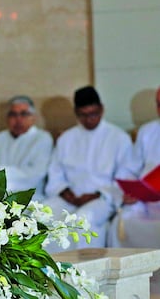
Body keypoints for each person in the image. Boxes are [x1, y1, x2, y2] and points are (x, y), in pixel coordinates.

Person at [43, 85, 140, 251]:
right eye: (83, 115)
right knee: (43, 216)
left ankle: (83, 267)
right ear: (76, 113)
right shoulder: (66, 138)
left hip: (103, 199)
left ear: (102, 109)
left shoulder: (118, 138)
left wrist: (96, 195)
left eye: (93, 114)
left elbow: (125, 177)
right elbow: (55, 173)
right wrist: (64, 191)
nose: (89, 119)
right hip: (70, 197)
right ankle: (50, 267)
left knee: (83, 219)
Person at [108, 86, 160, 248]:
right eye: (159, 105)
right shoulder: (147, 131)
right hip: (147, 200)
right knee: (121, 221)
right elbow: (130, 168)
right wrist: (130, 191)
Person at [0, 95, 53, 199]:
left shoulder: (42, 138)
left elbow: (37, 173)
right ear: (7, 118)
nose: (18, 119)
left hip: (31, 198)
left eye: (24, 114)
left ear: (33, 118)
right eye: (13, 114)